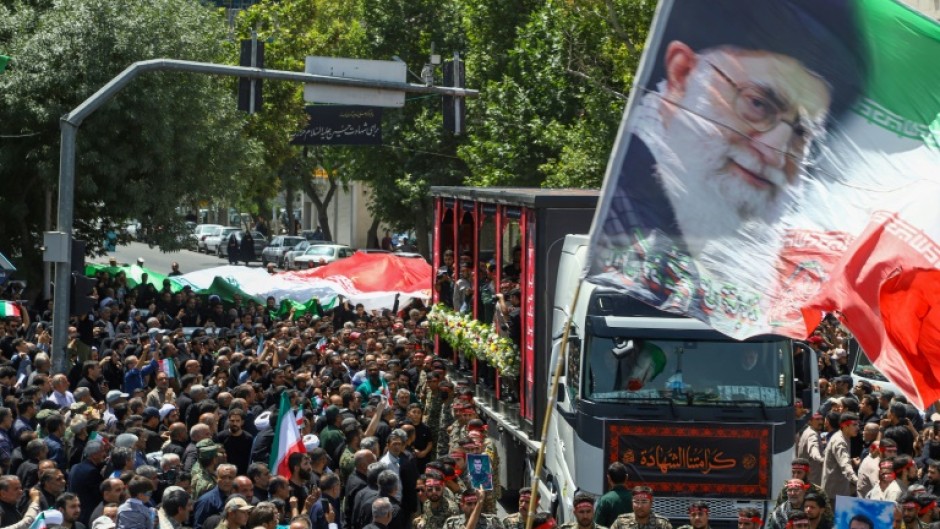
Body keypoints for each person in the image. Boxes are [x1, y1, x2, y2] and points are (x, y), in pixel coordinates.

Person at [593, 1, 866, 315]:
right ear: (681, 74)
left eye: (802, 132)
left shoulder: (753, 268)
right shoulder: (619, 217)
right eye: (758, 104)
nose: (776, 152)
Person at [821, 412, 858, 498]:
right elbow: (845, 465)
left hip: (837, 489)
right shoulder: (840, 442)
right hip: (835, 493)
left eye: (858, 425)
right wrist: (857, 481)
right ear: (845, 426)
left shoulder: (842, 437)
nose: (857, 428)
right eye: (854, 425)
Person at [594, 463, 632, 527]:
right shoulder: (636, 499)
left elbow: (597, 525)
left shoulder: (605, 500)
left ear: (609, 478)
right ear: (626, 477)